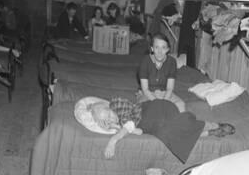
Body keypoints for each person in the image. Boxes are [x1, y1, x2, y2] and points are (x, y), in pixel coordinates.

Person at [87, 98, 235, 163]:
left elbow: (130, 125)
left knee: (172, 127)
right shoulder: (117, 122)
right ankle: (211, 132)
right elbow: (136, 131)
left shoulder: (118, 105)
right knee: (167, 135)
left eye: (108, 114)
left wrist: (113, 140)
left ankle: (210, 125)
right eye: (104, 120)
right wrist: (113, 126)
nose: (110, 119)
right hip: (153, 125)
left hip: (156, 110)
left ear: (109, 107)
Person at [137, 33, 186, 112]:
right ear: (152, 49)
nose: (160, 51)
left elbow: (169, 88)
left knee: (180, 104)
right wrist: (157, 103)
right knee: (145, 109)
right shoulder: (145, 61)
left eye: (163, 47)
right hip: (147, 94)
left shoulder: (172, 62)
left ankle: (176, 122)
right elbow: (145, 89)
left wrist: (164, 102)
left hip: (165, 93)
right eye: (157, 47)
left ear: (167, 49)